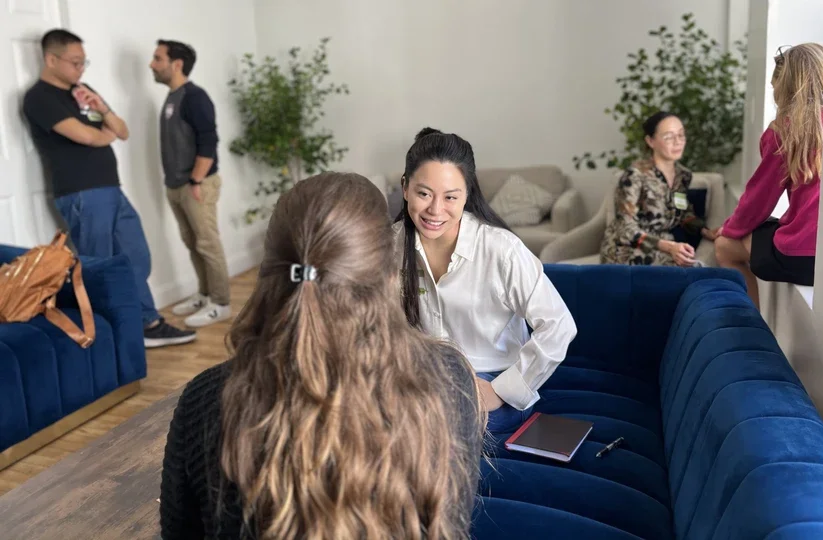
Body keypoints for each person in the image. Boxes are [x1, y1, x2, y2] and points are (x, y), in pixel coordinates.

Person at [160, 172, 483, 540]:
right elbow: (451, 524)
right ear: (390, 274)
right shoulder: (449, 378)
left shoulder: (205, 400)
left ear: (268, 270)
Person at [395, 127, 577, 435]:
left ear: (467, 193)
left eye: (450, 197)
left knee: (429, 429)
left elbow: (559, 325)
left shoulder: (501, 249)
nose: (435, 210)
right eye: (423, 194)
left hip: (489, 380)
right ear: (404, 187)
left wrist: (499, 391)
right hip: (420, 380)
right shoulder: (390, 245)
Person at [22, 29, 195, 349]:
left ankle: (147, 323)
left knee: (135, 256)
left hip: (110, 189)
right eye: (75, 62)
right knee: (99, 264)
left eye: (83, 62)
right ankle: (111, 334)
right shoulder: (39, 98)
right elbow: (88, 137)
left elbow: (122, 131)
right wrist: (104, 133)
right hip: (81, 194)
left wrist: (100, 106)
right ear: (51, 59)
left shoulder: (82, 90)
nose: (81, 69)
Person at [715, 43, 823, 308]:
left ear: (784, 86)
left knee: (724, 246)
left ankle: (752, 330)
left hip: (803, 258)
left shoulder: (784, 131)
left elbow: (758, 200)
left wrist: (727, 229)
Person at [150, 39, 231, 328]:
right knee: (193, 243)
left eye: (158, 59)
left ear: (177, 64)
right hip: (176, 185)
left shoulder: (195, 97)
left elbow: (209, 141)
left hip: (196, 184)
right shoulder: (172, 97)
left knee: (208, 243)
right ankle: (205, 293)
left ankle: (220, 303)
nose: (152, 64)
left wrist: (196, 179)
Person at [600, 111, 718, 267]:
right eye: (669, 137)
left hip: (665, 247)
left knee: (692, 266)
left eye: (681, 135)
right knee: (690, 268)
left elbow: (683, 214)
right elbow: (625, 228)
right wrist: (669, 247)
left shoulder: (683, 176)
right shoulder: (635, 175)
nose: (677, 142)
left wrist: (706, 232)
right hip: (627, 249)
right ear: (650, 141)